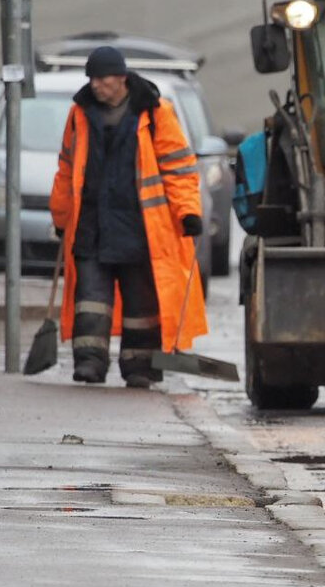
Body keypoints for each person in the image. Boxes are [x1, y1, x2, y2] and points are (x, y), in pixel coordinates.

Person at [49, 46, 207, 388]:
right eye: (91, 79)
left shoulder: (155, 113)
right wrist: (60, 217)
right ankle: (89, 363)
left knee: (141, 306)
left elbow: (179, 168)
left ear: (121, 78)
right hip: (92, 225)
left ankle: (140, 368)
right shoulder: (79, 114)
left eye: (102, 79)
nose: (95, 85)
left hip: (140, 229)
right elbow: (66, 169)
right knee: (90, 301)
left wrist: (188, 212)